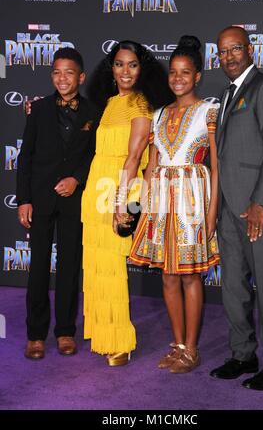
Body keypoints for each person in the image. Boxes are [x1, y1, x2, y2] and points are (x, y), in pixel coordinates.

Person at [129, 36, 220, 373]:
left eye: (185, 72)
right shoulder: (158, 113)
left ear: (197, 76)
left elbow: (217, 165)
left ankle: (192, 350)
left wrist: (212, 212)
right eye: (173, 72)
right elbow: (151, 164)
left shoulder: (208, 111)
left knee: (190, 278)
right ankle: (178, 344)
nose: (178, 78)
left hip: (193, 203)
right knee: (168, 277)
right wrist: (142, 207)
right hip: (161, 204)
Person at [210, 26, 263, 390]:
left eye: (234, 49)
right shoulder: (226, 94)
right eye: (222, 52)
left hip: (262, 208)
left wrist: (259, 202)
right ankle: (243, 354)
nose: (228, 57)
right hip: (230, 207)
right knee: (232, 286)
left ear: (250, 49)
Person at [81, 40, 173, 366]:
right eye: (119, 64)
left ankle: (120, 339)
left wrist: (122, 204)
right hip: (96, 188)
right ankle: (102, 331)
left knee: (112, 268)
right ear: (112, 69)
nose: (125, 71)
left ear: (142, 68)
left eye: (132, 65)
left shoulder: (141, 106)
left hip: (121, 190)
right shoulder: (109, 103)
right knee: (96, 266)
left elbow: (134, 158)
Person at [17, 48, 99, 359]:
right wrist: (24, 199)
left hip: (73, 201)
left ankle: (65, 331)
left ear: (81, 76)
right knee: (37, 267)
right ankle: (35, 335)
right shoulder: (37, 110)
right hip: (39, 200)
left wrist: (77, 179)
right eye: (56, 72)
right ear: (52, 76)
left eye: (68, 73)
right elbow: (25, 157)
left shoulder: (93, 112)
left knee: (67, 269)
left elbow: (94, 156)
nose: (61, 78)